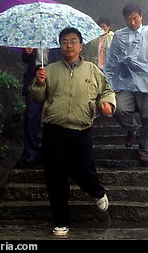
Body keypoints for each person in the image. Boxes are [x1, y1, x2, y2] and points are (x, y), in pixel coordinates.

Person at [29, 27, 116, 238]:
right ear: (60, 46)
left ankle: (97, 191)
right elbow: (36, 98)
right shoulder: (49, 69)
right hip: (54, 130)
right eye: (65, 41)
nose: (69, 45)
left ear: (81, 46)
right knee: (55, 175)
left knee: (85, 170)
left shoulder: (92, 70)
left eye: (73, 41)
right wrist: (39, 83)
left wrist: (106, 104)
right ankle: (61, 220)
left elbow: (106, 91)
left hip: (81, 129)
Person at [104, 4, 148, 164]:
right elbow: (111, 59)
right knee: (118, 108)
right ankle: (131, 129)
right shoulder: (119, 36)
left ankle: (146, 150)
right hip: (126, 82)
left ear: (141, 17)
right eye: (129, 19)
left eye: (135, 18)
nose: (132, 22)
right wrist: (108, 78)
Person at [21, 47, 61, 164]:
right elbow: (24, 59)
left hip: (54, 77)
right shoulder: (31, 36)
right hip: (34, 78)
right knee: (32, 117)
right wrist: (26, 52)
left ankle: (52, 152)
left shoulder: (57, 36)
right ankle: (31, 152)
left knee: (54, 117)